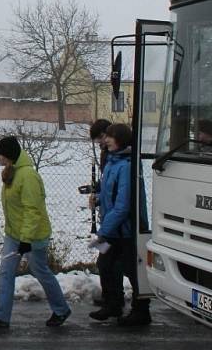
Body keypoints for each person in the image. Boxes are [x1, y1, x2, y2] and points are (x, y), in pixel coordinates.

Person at [0, 136, 71, 328]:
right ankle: (1, 316)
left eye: (0, 154)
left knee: (41, 271)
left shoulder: (27, 176)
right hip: (13, 234)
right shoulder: (11, 172)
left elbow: (32, 210)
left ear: (9, 155)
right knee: (6, 272)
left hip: (33, 236)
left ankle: (61, 309)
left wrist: (26, 239)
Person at [90, 123, 152, 326]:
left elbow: (123, 205)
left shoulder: (127, 166)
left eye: (109, 137)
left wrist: (103, 231)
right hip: (113, 228)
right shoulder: (112, 163)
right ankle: (113, 304)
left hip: (125, 231)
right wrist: (98, 198)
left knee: (133, 270)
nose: (105, 140)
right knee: (105, 265)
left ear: (122, 140)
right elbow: (111, 194)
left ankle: (141, 311)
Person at [88, 119, 124, 310]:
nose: (102, 143)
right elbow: (108, 188)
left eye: (103, 138)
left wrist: (106, 228)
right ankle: (112, 299)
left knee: (111, 262)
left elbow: (120, 198)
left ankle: (115, 301)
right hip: (111, 219)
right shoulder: (108, 157)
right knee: (108, 262)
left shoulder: (123, 162)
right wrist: (99, 197)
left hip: (118, 224)